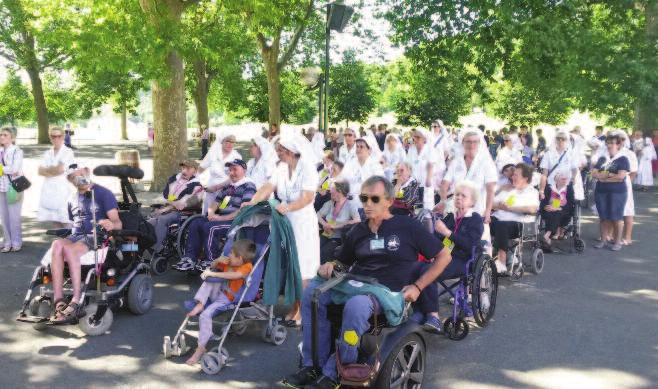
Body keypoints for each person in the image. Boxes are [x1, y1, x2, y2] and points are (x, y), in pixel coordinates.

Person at [284, 176, 452, 389]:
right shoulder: (358, 230)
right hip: (356, 285)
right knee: (311, 293)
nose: (368, 204)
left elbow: (444, 256)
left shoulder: (407, 226)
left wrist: (418, 286)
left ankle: (337, 371)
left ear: (389, 201)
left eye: (374, 199)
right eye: (364, 198)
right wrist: (330, 266)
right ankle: (311, 365)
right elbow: (342, 263)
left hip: (387, 293)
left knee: (357, 305)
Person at [244, 134, 320, 327]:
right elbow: (268, 186)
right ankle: (293, 306)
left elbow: (307, 197)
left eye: (280, 150)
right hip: (284, 220)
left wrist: (288, 207)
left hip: (302, 223)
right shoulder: (281, 167)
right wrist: (253, 200)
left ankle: (302, 310)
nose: (277, 153)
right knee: (288, 264)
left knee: (302, 267)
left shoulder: (308, 168)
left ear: (290, 152)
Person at [49, 165, 122, 323]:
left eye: (82, 174)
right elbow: (73, 225)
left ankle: (75, 299)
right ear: (70, 180)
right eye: (75, 176)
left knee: (71, 249)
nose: (80, 178)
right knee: (56, 244)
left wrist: (110, 224)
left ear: (88, 172)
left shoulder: (103, 193)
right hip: (76, 235)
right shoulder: (72, 198)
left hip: (96, 236)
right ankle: (59, 299)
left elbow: (118, 223)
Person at [175, 159, 256, 271]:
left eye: (235, 169)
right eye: (230, 170)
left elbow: (243, 210)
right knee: (196, 223)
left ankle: (211, 260)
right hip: (221, 219)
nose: (231, 173)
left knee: (210, 227)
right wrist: (211, 212)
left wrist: (221, 218)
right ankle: (189, 259)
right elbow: (216, 202)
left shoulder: (249, 186)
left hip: (236, 222)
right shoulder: (229, 187)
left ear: (244, 171)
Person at [185, 239, 256, 365]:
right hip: (217, 293)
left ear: (240, 258)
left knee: (205, 315)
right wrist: (217, 261)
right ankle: (201, 303)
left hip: (227, 299)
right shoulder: (229, 263)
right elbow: (212, 266)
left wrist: (213, 274)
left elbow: (235, 276)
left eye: (231, 254)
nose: (228, 255)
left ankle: (200, 348)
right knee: (209, 279)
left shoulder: (246, 266)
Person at [432, 180, 485, 327]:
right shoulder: (450, 217)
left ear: (472, 202)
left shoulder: (475, 220)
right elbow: (439, 240)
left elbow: (469, 246)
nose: (458, 197)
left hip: (463, 259)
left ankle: (431, 314)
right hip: (444, 256)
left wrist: (447, 233)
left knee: (429, 273)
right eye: (456, 195)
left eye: (463, 196)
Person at [439, 129, 497, 225]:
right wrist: (443, 202)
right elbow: (445, 183)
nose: (472, 145)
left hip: (477, 209)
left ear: (479, 143)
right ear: (462, 143)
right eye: (468, 141)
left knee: (477, 238)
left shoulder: (486, 162)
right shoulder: (457, 161)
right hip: (457, 208)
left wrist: (487, 211)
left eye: (475, 142)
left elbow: (490, 189)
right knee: (453, 236)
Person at [490, 163, 539, 274]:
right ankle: (482, 257)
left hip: (518, 224)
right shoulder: (509, 189)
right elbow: (491, 204)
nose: (512, 177)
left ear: (525, 178)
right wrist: (501, 201)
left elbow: (532, 209)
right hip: (499, 219)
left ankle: (501, 261)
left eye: (516, 175)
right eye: (513, 175)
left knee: (501, 225)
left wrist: (512, 208)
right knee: (481, 221)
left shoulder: (532, 192)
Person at [149, 160, 203, 254]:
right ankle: (145, 247)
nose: (184, 171)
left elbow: (183, 204)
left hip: (184, 213)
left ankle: (156, 249)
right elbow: (165, 195)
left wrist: (168, 207)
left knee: (162, 219)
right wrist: (169, 204)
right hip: (168, 208)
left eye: (188, 168)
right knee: (149, 221)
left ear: (195, 170)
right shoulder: (174, 179)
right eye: (183, 168)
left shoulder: (197, 184)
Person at [591, 133, 629, 251]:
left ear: (618, 145)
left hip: (617, 192)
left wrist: (603, 177)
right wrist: (610, 175)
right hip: (601, 191)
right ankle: (603, 240)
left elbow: (621, 177)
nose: (609, 145)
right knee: (603, 217)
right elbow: (593, 173)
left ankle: (617, 242)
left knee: (616, 217)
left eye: (613, 143)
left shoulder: (623, 159)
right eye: (608, 143)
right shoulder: (602, 158)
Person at [37, 127, 75, 228]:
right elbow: (40, 171)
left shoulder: (68, 152)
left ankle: (70, 243)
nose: (56, 139)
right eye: (53, 136)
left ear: (63, 137)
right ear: (50, 137)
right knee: (55, 222)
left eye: (59, 136)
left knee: (67, 221)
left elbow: (60, 170)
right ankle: (60, 244)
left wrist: (48, 170)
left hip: (63, 190)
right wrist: (53, 170)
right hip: (49, 190)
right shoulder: (47, 153)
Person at [317, 181, 360, 263]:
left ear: (339, 191)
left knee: (323, 255)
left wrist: (336, 226)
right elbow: (318, 215)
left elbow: (357, 220)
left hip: (338, 238)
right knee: (314, 251)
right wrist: (325, 224)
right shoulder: (330, 203)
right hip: (326, 233)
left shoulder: (350, 204)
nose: (330, 191)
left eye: (332, 189)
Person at [199, 134, 242, 214]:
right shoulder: (213, 154)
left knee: (222, 211)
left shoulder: (237, 157)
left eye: (232, 142)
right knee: (207, 213)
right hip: (210, 190)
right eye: (227, 141)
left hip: (228, 191)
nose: (230, 144)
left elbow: (236, 177)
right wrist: (201, 183)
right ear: (222, 142)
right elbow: (201, 168)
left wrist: (216, 187)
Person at [342, 138, 384, 211]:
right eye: (357, 146)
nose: (358, 149)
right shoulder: (350, 162)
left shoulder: (375, 165)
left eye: (361, 147)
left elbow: (379, 185)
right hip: (348, 201)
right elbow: (343, 179)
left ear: (369, 150)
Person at [0, 126, 24, 252]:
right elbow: (10, 169)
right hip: (1, 187)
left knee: (14, 216)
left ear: (12, 138)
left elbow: (15, 169)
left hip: (13, 187)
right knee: (4, 217)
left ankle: (16, 241)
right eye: (1, 134)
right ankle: (7, 241)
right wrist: (6, 170)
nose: (2, 137)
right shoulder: (0, 150)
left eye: (5, 135)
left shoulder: (16, 151)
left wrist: (2, 170)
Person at [539, 170, 575, 251]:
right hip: (549, 209)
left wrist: (558, 208)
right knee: (552, 213)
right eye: (563, 179)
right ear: (556, 180)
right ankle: (548, 237)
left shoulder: (568, 189)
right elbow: (543, 201)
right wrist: (546, 207)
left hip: (564, 211)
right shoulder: (550, 188)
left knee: (556, 213)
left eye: (566, 179)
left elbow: (571, 204)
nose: (565, 180)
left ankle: (547, 235)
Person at [407, 128, 442, 209]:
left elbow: (431, 164)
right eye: (414, 137)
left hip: (426, 183)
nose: (415, 139)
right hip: (413, 184)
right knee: (413, 208)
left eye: (418, 137)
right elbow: (408, 165)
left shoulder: (430, 149)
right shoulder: (411, 149)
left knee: (427, 208)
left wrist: (428, 179)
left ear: (424, 139)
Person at [539, 131, 579, 201]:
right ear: (555, 140)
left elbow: (574, 170)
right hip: (551, 186)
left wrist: (573, 180)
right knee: (550, 208)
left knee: (563, 209)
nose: (560, 141)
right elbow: (544, 174)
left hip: (566, 187)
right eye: (558, 138)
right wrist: (541, 190)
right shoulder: (548, 154)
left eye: (563, 139)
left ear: (567, 141)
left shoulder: (571, 154)